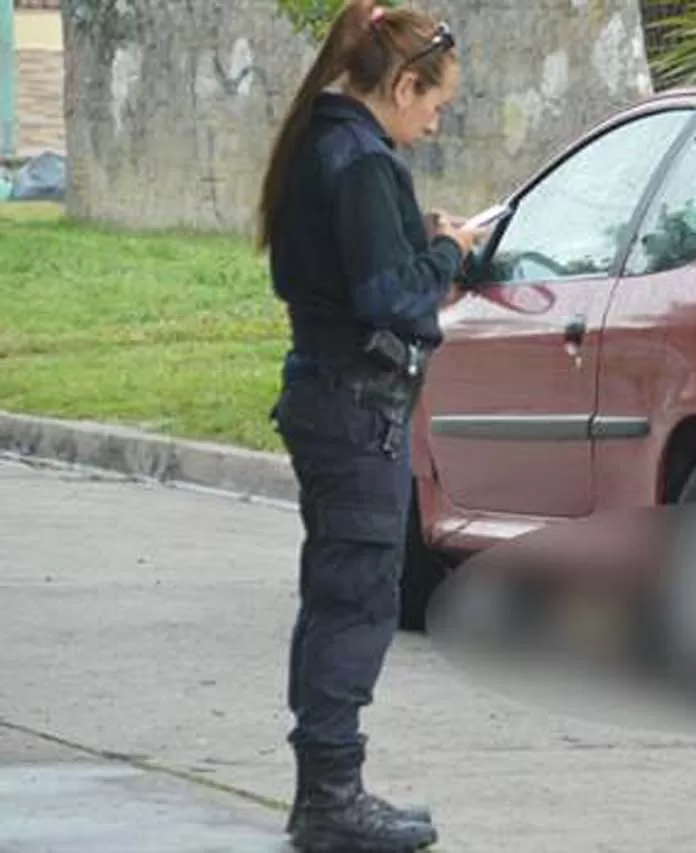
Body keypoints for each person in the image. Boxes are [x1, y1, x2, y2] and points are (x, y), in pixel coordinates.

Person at [255, 1, 483, 850]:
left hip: (328, 396)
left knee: (337, 595)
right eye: (436, 100)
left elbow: (354, 264)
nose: (436, 117)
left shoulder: (325, 144)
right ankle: (330, 797)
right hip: (358, 410)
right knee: (354, 599)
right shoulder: (358, 161)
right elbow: (389, 298)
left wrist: (414, 239)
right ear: (402, 80)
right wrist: (449, 255)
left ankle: (328, 787)